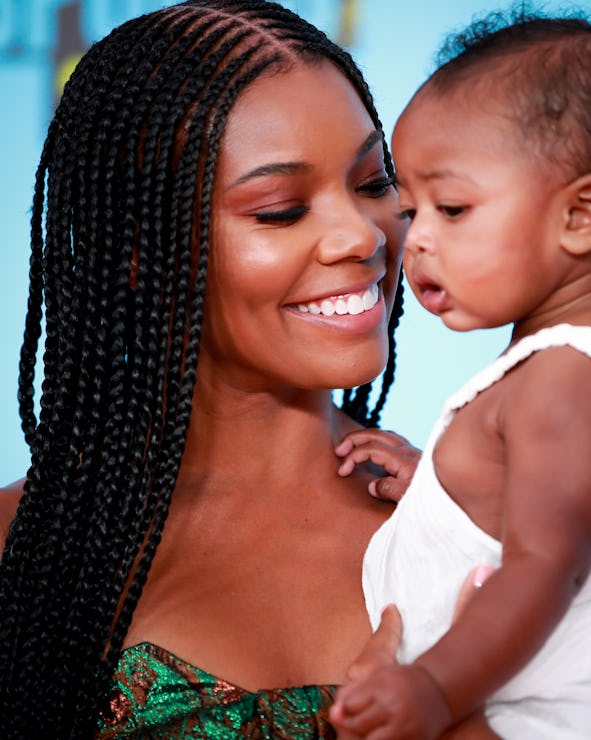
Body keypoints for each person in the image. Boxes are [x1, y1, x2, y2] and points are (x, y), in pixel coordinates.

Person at [0, 1, 412, 736]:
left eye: (374, 183)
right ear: (138, 250)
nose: (360, 235)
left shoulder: (492, 519)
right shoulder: (21, 555)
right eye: (282, 210)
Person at [331, 9, 591, 739]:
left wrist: (434, 691)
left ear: (584, 214)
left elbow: (546, 564)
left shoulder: (565, 374)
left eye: (454, 208)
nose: (415, 239)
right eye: (409, 208)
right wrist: (447, 488)